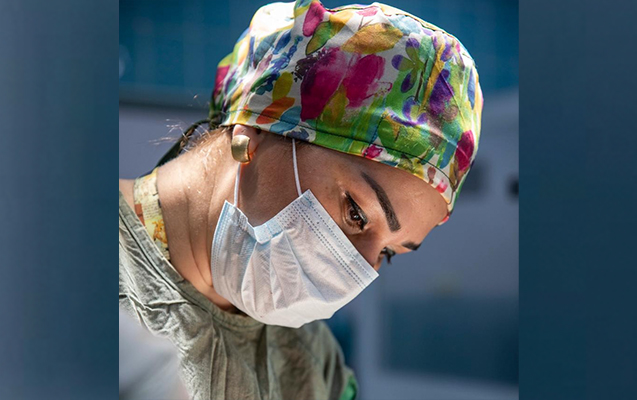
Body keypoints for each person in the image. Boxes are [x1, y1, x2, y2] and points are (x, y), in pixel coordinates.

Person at [118, 0, 483, 399]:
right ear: (256, 129)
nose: (360, 271)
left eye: (389, 253)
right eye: (356, 214)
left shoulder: (311, 364)